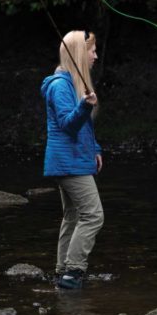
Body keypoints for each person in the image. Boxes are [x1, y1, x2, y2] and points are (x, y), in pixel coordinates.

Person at [41, 30, 103, 289]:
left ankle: (62, 271)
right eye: (92, 51)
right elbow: (68, 124)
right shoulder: (59, 86)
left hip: (73, 160)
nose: (95, 56)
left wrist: (95, 149)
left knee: (74, 215)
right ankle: (73, 273)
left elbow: (83, 128)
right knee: (94, 215)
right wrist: (85, 105)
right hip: (69, 163)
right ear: (79, 53)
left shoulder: (70, 84)